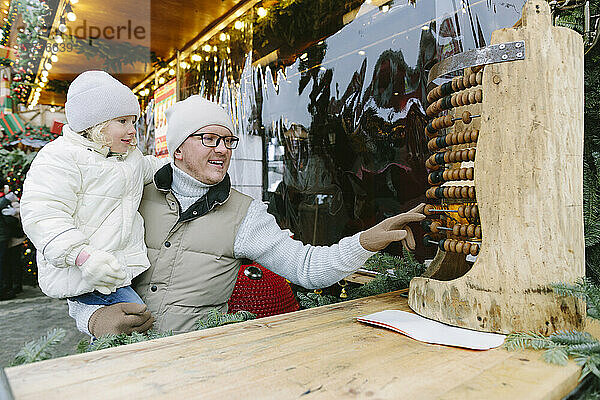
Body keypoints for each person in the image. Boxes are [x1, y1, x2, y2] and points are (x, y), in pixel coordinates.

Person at [68, 95, 425, 337]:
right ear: (177, 148)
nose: (222, 149)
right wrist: (92, 318)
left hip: (199, 367)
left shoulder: (245, 215)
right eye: (209, 139)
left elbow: (306, 267)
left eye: (228, 141)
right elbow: (73, 265)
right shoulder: (131, 196)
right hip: (120, 362)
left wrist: (366, 242)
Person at [20, 71, 162, 332]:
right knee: (135, 332)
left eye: (133, 121)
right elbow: (42, 215)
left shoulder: (127, 158)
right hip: (86, 274)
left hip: (116, 275)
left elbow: (153, 168)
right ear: (96, 123)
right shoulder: (60, 158)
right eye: (122, 121)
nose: (132, 131)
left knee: (123, 339)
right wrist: (83, 257)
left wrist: (186, 163)